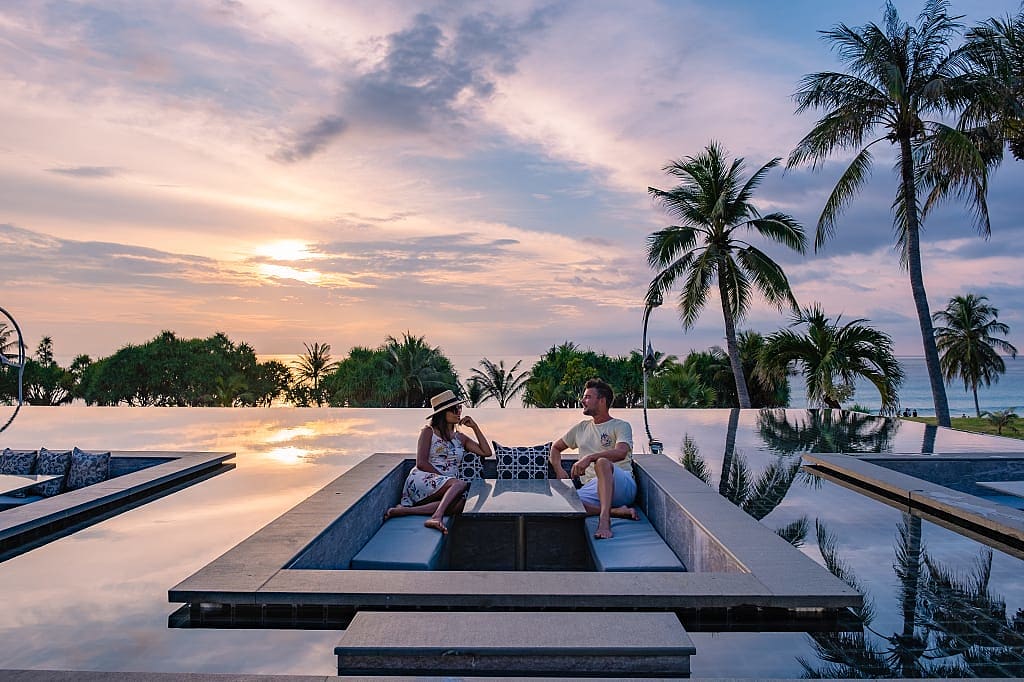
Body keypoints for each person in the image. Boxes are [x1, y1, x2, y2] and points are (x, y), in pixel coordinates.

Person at [384, 389, 493, 534]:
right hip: (423, 478)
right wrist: (445, 482)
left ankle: (406, 511)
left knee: (461, 503)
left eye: (459, 408)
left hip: (446, 486)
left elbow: (486, 452)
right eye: (453, 409)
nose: (458, 412)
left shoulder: (460, 438)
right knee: (460, 484)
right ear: (442, 413)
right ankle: (437, 516)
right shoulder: (429, 432)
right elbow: (421, 463)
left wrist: (475, 427)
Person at [549, 378, 637, 540]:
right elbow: (555, 448)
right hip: (593, 487)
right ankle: (615, 511)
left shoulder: (620, 425)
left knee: (602, 462)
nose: (583, 400)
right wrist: (559, 469)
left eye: (588, 397)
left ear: (602, 401)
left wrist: (590, 458)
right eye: (584, 397)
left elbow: (621, 452)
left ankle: (605, 521)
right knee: (564, 502)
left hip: (621, 483)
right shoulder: (581, 428)